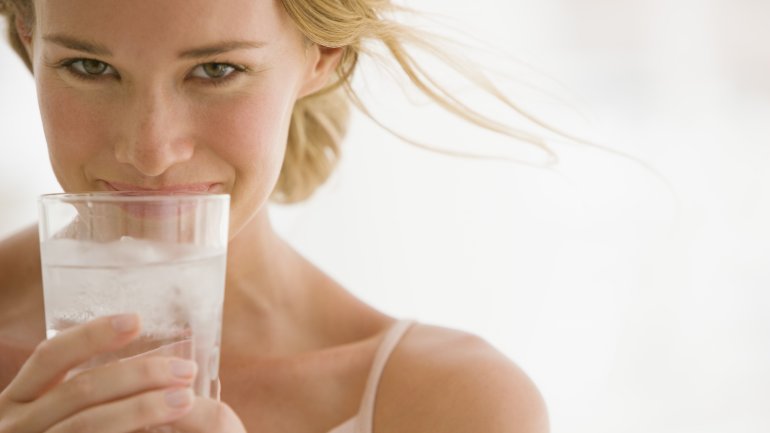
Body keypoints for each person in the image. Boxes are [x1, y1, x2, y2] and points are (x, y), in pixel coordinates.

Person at [0, 0, 548, 432]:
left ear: (322, 52)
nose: (151, 150)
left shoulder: (451, 407)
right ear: (28, 34)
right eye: (89, 66)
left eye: (216, 70)